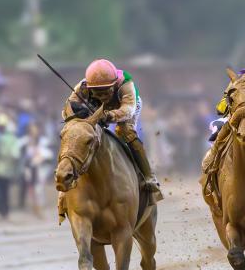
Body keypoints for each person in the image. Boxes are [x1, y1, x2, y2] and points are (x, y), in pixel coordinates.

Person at [63, 59, 160, 195]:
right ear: (89, 88)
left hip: (126, 105)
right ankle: (66, 172)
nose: (103, 96)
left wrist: (110, 115)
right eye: (98, 93)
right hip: (99, 109)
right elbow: (67, 110)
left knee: (125, 131)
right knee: (78, 131)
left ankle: (149, 176)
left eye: (106, 91)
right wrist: (79, 112)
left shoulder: (126, 85)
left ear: (114, 85)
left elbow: (128, 110)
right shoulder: (82, 86)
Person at [20, 122, 52, 217]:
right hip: (29, 168)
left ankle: (39, 208)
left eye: (35, 129)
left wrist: (42, 157)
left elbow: (49, 155)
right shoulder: (25, 141)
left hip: (40, 168)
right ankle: (34, 207)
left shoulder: (43, 141)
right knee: (31, 188)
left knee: (39, 189)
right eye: (31, 129)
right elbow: (21, 154)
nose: (33, 131)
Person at [0, 114, 20, 218]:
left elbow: (14, 154)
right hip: (5, 170)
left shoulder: (7, 138)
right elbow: (16, 155)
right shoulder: (12, 138)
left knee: (3, 191)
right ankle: (4, 211)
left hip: (4, 170)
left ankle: (4, 210)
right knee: (3, 191)